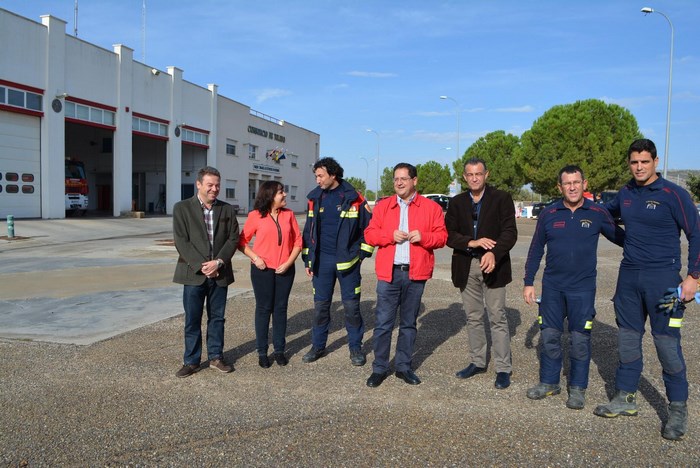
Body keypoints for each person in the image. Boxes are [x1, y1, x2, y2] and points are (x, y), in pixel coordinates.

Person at [594, 139, 700, 441]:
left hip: (665, 283)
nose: (639, 167)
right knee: (627, 342)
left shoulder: (673, 194)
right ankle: (625, 398)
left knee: (667, 345)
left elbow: (697, 234)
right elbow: (603, 217)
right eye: (634, 162)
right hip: (628, 282)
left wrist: (693, 277)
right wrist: (624, 240)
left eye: (644, 162)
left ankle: (678, 410)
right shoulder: (626, 193)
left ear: (655, 162)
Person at [523, 165, 625, 409]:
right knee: (549, 336)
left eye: (576, 182)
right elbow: (536, 249)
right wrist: (528, 282)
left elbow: (622, 239)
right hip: (553, 289)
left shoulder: (597, 212)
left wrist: (653, 253)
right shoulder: (549, 214)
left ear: (584, 184)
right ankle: (549, 383)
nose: (572, 187)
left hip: (582, 290)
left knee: (580, 340)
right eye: (567, 183)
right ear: (560, 187)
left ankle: (578, 388)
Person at [364, 163, 447, 387]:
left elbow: (442, 237)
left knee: (409, 323)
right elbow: (370, 234)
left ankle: (403, 366)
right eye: (396, 179)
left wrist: (424, 237)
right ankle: (379, 368)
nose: (399, 183)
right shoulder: (383, 206)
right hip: (388, 273)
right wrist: (389, 235)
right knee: (382, 324)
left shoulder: (431, 208)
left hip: (415, 273)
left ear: (415, 181)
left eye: (404, 178)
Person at [446, 158, 518, 389]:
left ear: (486, 174)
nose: (474, 178)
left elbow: (509, 232)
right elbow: (448, 235)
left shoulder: (501, 198)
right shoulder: (456, 203)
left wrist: (494, 253)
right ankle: (477, 361)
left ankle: (503, 368)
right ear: (465, 177)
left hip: (493, 266)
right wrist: (472, 242)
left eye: (478, 174)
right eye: (470, 174)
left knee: (497, 317)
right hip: (466, 266)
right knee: (473, 317)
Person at [301, 157, 374, 366]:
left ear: (333, 175)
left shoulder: (354, 198)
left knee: (351, 308)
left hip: (348, 262)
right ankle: (317, 346)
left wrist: (361, 255)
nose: (318, 180)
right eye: (316, 176)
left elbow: (369, 228)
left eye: (320, 176)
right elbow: (309, 231)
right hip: (321, 263)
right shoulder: (314, 198)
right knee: (321, 308)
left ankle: (355, 347)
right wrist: (308, 259)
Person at [172, 166, 239, 378]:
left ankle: (216, 357)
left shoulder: (227, 209)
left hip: (219, 273)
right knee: (192, 318)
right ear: (199, 184)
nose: (214, 189)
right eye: (210, 185)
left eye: (217, 185)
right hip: (194, 274)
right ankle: (191, 361)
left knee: (217, 318)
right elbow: (181, 241)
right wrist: (203, 265)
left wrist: (218, 262)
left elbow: (233, 238)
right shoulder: (182, 208)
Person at [238, 181, 302, 368]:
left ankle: (279, 350)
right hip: (262, 270)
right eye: (281, 192)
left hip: (285, 270)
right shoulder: (255, 216)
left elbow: (298, 241)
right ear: (270, 195)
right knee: (264, 309)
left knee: (281, 309)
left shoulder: (289, 215)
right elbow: (242, 241)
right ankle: (262, 351)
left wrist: (288, 263)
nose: (285, 195)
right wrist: (255, 258)